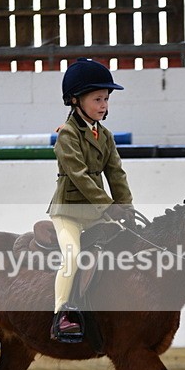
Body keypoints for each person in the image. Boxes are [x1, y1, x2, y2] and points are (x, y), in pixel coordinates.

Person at [47, 58, 135, 342]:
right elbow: (81, 177)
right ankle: (61, 314)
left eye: (106, 99)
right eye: (97, 99)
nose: (104, 105)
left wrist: (127, 208)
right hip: (69, 212)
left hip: (97, 212)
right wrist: (110, 208)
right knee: (72, 255)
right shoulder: (67, 137)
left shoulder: (105, 136)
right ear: (75, 99)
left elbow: (116, 174)